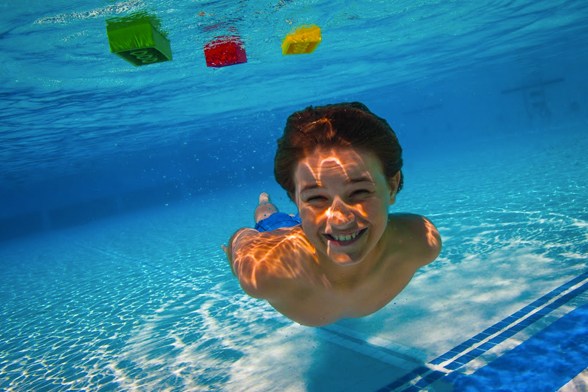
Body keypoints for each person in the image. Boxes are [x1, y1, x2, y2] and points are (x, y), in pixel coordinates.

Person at [222, 102, 441, 327]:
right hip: (284, 233)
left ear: (392, 187)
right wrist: (233, 251)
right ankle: (265, 201)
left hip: (315, 229)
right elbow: (240, 238)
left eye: (359, 192)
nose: (340, 219)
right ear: (295, 198)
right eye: (316, 197)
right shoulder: (263, 272)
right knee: (266, 217)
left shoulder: (421, 241)